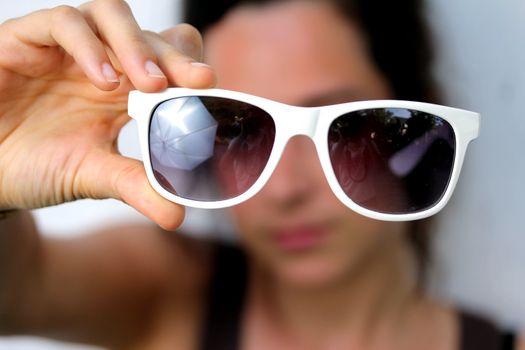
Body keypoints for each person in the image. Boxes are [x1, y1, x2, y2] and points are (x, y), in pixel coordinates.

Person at [0, 0, 520, 349]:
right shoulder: (165, 287)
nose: (286, 189)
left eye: (343, 127)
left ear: (417, 126)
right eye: (242, 131)